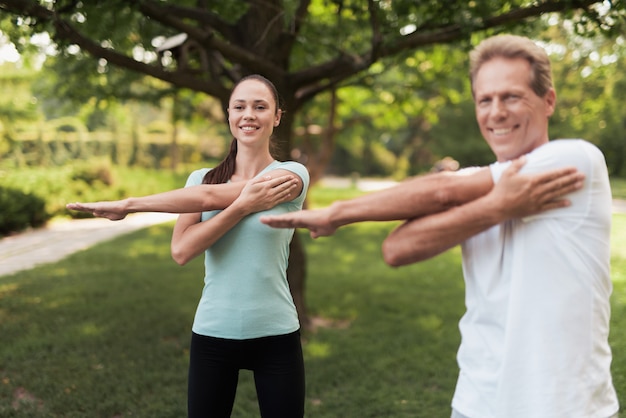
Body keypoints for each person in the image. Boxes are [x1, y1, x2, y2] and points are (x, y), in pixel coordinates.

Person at [261, 34, 620, 418]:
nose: (496, 111)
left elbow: (443, 191)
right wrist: (497, 207)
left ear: (548, 101)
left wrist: (336, 214)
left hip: (565, 407)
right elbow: (397, 249)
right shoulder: (483, 185)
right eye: (485, 99)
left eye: (511, 96)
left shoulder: (575, 160)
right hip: (476, 403)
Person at [68, 74, 310, 418]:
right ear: (228, 114)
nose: (249, 115)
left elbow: (212, 197)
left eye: (260, 107)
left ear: (277, 116)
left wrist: (130, 204)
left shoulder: (291, 175)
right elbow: (182, 251)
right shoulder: (200, 179)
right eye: (239, 106)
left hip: (276, 332)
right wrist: (242, 207)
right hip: (213, 332)